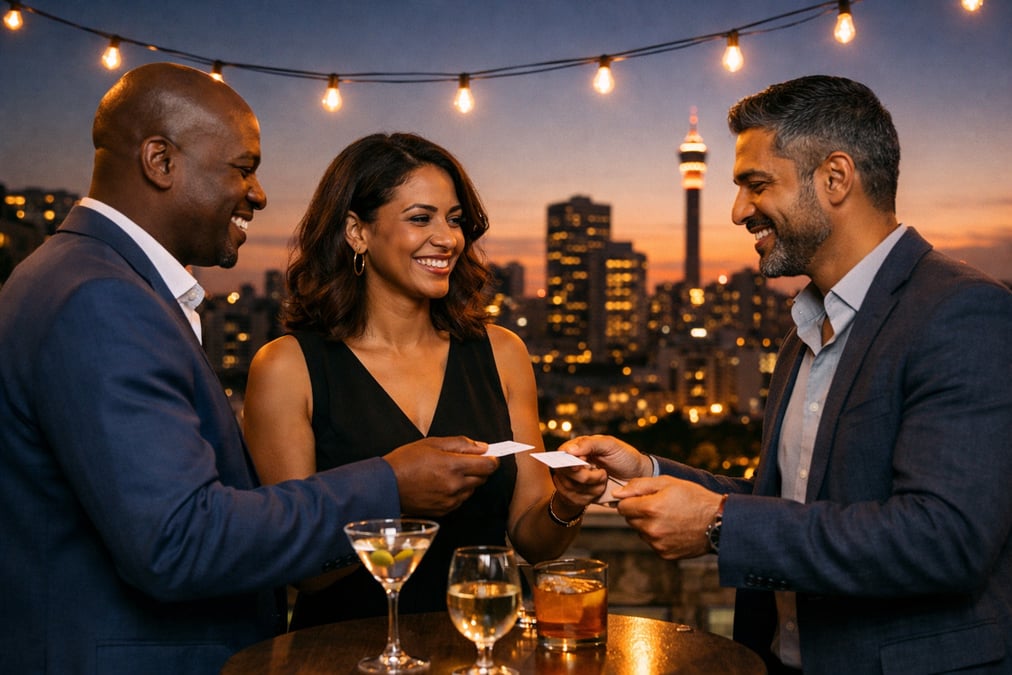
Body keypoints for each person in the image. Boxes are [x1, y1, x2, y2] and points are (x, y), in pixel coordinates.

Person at [0, 63, 504, 675]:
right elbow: (178, 539)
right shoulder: (101, 298)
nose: (260, 194)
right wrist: (389, 486)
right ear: (160, 161)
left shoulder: (84, 278)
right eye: (243, 168)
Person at [561, 75, 1012, 674]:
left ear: (835, 177)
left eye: (756, 184)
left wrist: (719, 525)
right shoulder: (804, 328)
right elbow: (789, 505)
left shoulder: (961, 311)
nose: (739, 210)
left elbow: (945, 540)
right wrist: (648, 471)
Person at [242, 132, 607, 628]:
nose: (449, 238)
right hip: (341, 656)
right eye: (421, 218)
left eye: (455, 220)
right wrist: (396, 493)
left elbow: (531, 539)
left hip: (482, 649)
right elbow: (301, 568)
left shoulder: (501, 353)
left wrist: (566, 504)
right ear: (357, 231)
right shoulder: (286, 368)